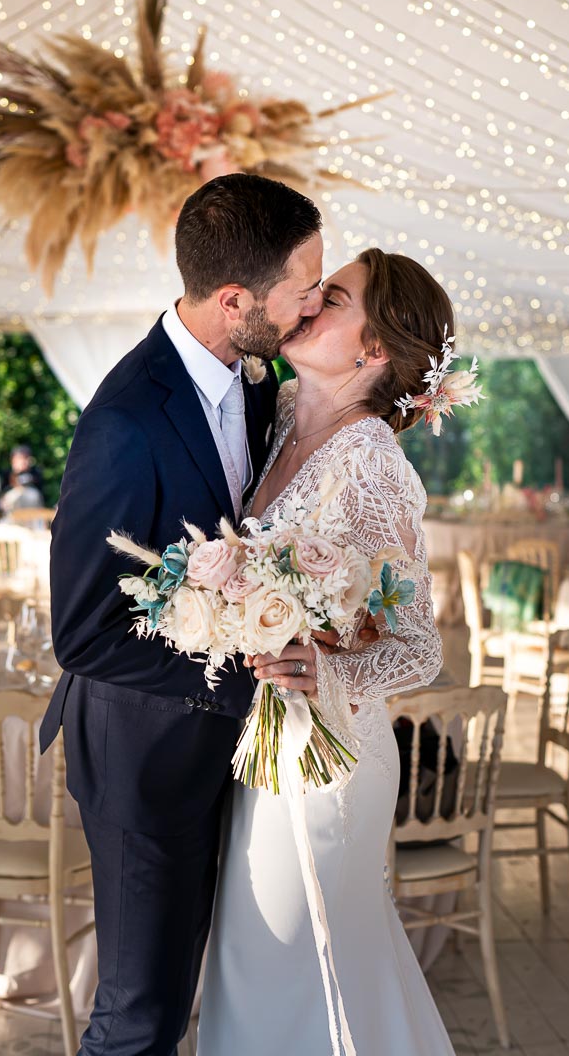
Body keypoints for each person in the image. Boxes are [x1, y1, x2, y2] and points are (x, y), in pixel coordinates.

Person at [38, 172, 324, 1055]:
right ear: (236, 299)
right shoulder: (126, 419)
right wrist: (237, 665)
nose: (313, 302)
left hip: (226, 753)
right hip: (144, 760)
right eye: (303, 287)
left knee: (210, 996)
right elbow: (82, 631)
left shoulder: (258, 373)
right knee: (140, 1018)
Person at [198, 248, 460, 1055]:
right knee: (254, 963)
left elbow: (420, 646)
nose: (306, 304)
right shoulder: (276, 412)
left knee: (308, 965)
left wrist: (331, 669)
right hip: (263, 740)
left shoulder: (373, 462)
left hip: (331, 756)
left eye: (332, 297)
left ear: (374, 350)